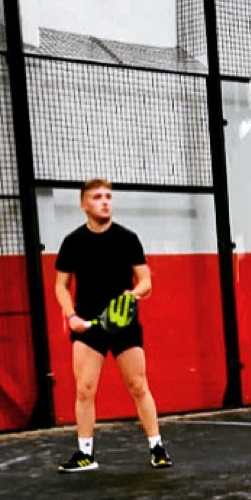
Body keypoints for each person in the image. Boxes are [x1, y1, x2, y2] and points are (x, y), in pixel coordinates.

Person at [52, 179, 171, 473]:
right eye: (97, 197)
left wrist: (132, 294)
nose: (105, 201)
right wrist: (71, 316)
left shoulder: (127, 239)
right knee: (84, 390)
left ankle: (157, 448)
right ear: (84, 204)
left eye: (108, 196)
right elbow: (61, 286)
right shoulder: (72, 242)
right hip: (88, 326)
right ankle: (85, 455)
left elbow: (146, 281)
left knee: (138, 386)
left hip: (123, 324)